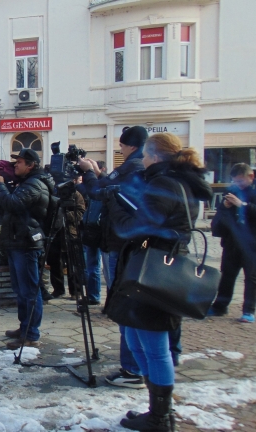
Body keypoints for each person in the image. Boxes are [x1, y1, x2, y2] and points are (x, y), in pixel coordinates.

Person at [106, 132, 212, 431]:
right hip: (158, 266)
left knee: (153, 346)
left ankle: (161, 417)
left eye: (145, 156)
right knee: (140, 341)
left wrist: (116, 205)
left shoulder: (165, 183)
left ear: (152, 155)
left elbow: (136, 228)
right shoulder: (179, 181)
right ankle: (158, 413)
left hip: (153, 271)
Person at [78, 125, 149, 388]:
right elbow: (109, 188)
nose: (120, 149)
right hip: (127, 243)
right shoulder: (138, 169)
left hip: (121, 245)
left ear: (129, 145)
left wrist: (89, 174)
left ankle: (132, 369)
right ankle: (136, 365)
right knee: (129, 307)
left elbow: (99, 192)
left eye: (121, 145)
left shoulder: (132, 167)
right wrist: (98, 174)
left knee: (123, 306)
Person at [0, 149, 54, 350]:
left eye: (19, 162)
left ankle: (31, 334)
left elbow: (13, 204)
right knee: (21, 291)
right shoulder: (26, 183)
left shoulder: (35, 184)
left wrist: (0, 186)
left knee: (29, 291)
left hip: (27, 244)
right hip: (18, 241)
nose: (15, 165)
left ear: (31, 165)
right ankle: (24, 328)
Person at [209, 163, 256, 323]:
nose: (237, 185)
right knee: (227, 276)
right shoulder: (231, 191)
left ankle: (248, 311)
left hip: (253, 243)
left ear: (251, 177)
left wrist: (242, 205)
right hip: (232, 241)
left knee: (251, 278)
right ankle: (220, 306)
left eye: (240, 181)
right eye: (234, 181)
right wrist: (225, 206)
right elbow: (221, 215)